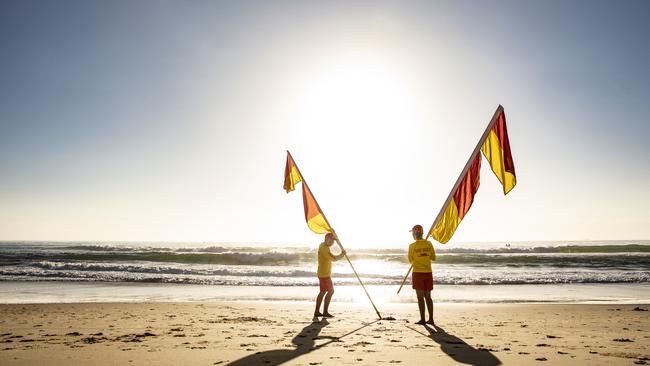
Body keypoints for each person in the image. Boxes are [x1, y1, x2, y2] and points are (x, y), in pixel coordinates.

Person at [408, 224, 436, 325]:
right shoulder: (429, 243)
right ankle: (431, 319)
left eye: (413, 233)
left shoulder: (412, 246)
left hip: (418, 273)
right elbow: (433, 257)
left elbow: (410, 259)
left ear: (415, 233)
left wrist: (418, 258)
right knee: (428, 297)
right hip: (428, 272)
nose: (412, 235)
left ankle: (423, 319)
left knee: (420, 297)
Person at [314, 232, 346, 318]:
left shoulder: (325, 247)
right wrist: (341, 255)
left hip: (324, 273)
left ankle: (318, 312)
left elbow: (332, 256)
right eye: (331, 240)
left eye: (333, 241)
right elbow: (332, 258)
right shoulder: (323, 248)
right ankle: (324, 312)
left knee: (323, 292)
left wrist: (336, 238)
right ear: (326, 239)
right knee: (330, 291)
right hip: (324, 274)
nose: (332, 243)